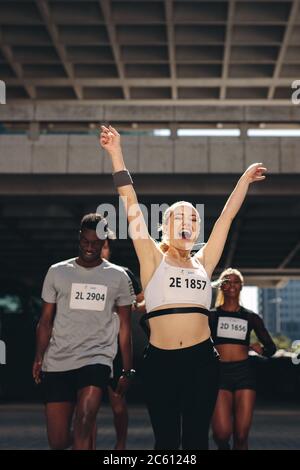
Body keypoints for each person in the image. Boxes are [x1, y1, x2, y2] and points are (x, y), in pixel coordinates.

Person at [100, 124, 267, 450]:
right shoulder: (151, 258)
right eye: (180, 218)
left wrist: (243, 181)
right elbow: (129, 201)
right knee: (165, 441)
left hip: (202, 362)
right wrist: (116, 153)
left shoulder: (203, 263)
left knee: (195, 440)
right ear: (164, 226)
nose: (188, 224)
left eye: (193, 220)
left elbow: (225, 219)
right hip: (161, 362)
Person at [32, 213, 135, 450]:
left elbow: (126, 327)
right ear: (79, 238)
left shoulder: (118, 276)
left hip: (96, 358)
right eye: (86, 242)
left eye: (96, 244)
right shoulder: (57, 272)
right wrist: (39, 356)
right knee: (58, 442)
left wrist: (127, 369)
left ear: (104, 242)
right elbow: (45, 321)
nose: (90, 248)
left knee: (85, 421)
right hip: (57, 360)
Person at [209, 268, 277, 450]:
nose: (231, 285)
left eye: (235, 282)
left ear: (241, 286)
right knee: (221, 434)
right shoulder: (211, 316)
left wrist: (260, 349)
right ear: (221, 287)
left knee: (241, 435)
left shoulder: (251, 317)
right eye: (227, 281)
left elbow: (271, 349)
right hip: (219, 374)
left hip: (244, 375)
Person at [101, 238, 144, 450]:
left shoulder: (123, 273)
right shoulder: (77, 273)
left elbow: (141, 297)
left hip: (115, 346)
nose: (100, 249)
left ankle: (120, 445)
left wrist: (133, 304)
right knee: (86, 406)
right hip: (86, 344)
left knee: (117, 404)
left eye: (105, 245)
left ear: (110, 249)